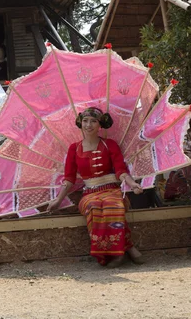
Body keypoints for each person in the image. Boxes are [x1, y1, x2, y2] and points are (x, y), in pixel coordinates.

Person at [47, 107, 145, 267]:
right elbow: (69, 178)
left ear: (100, 125)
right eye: (85, 121)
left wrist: (133, 184)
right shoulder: (74, 148)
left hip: (112, 189)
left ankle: (118, 255)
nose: (88, 125)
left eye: (93, 121)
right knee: (93, 207)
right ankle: (126, 249)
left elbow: (121, 170)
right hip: (89, 193)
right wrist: (58, 199)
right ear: (80, 123)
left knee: (113, 206)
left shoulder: (110, 145)